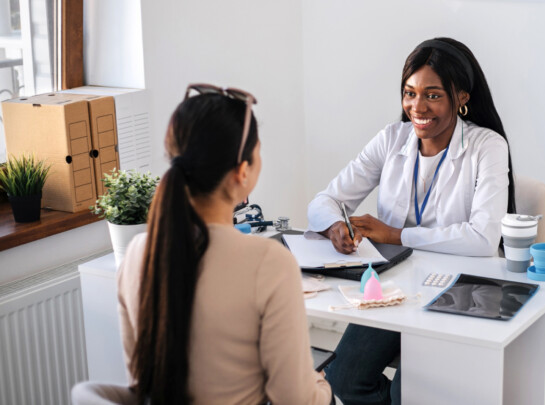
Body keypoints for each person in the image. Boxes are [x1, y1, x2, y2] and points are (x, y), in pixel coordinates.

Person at [307, 38, 515, 404]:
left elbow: (483, 239)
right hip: (395, 288)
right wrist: (334, 226)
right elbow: (323, 201)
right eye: (409, 93)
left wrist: (395, 234)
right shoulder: (391, 139)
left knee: (413, 393)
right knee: (342, 379)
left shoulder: (488, 146)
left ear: (461, 97)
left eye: (432, 95)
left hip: (460, 291)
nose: (417, 107)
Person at [117, 84, 333, 405]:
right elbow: (295, 399)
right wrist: (319, 383)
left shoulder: (137, 252)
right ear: (242, 172)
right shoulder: (269, 263)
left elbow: (138, 378)